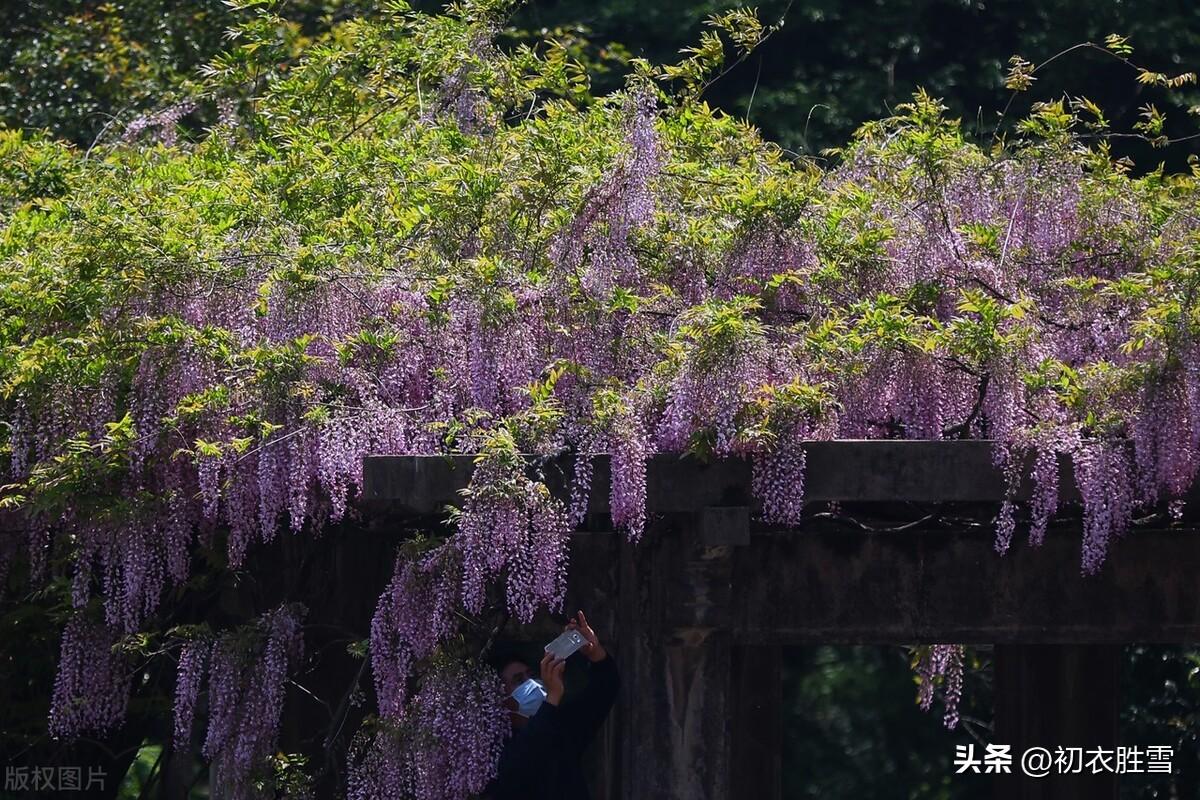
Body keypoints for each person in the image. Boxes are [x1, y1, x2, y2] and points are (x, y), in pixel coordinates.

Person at [484, 610, 619, 800]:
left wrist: (594, 651)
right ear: (499, 699)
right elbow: (525, 759)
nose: (531, 683)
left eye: (530, 675)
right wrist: (553, 696)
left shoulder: (560, 726)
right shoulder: (493, 751)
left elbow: (604, 690)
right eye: (518, 680)